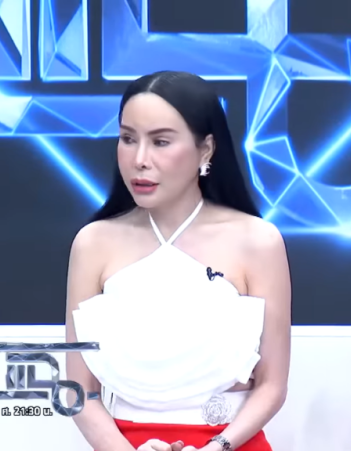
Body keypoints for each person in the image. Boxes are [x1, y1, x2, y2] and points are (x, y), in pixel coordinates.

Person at [64, 71, 291, 451]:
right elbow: (79, 390)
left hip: (230, 441)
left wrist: (218, 446)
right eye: (128, 139)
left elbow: (272, 384)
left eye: (161, 142)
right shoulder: (93, 243)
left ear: (206, 150)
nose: (139, 160)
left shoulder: (258, 241)